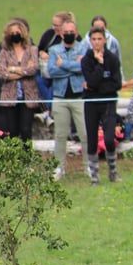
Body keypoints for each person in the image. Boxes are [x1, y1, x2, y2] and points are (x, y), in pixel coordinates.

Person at [47, 19, 89, 181]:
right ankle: (59, 167)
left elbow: (83, 68)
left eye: (72, 31)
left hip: (79, 97)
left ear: (76, 32)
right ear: (61, 33)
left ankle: (88, 166)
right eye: (66, 31)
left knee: (85, 134)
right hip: (59, 97)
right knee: (60, 135)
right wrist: (73, 67)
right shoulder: (53, 50)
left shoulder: (83, 48)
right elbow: (52, 71)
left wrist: (63, 64)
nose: (69, 34)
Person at [82, 27, 123, 185]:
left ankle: (113, 170)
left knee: (109, 139)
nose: (97, 42)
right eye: (94, 39)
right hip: (91, 103)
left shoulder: (112, 59)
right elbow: (91, 80)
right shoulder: (87, 59)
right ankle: (95, 176)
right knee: (92, 139)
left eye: (100, 39)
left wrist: (96, 86)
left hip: (108, 103)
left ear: (105, 40)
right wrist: (99, 65)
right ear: (90, 41)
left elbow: (116, 83)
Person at [0, 19, 40, 142]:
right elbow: (2, 73)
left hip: (28, 96)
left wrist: (13, 69)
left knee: (26, 130)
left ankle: (27, 158)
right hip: (10, 97)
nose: (15, 34)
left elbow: (34, 69)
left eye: (17, 31)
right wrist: (24, 70)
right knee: (12, 131)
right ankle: (14, 159)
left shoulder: (32, 50)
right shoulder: (4, 52)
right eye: (12, 32)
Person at [35, 11, 74, 127]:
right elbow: (39, 48)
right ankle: (48, 111)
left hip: (60, 71)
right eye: (53, 25)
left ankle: (47, 112)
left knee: (55, 84)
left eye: (57, 26)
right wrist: (41, 53)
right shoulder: (49, 34)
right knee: (38, 80)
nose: (55, 28)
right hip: (45, 69)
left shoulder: (70, 37)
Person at [84, 15, 123, 80]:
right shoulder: (84, 43)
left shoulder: (113, 41)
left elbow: (119, 63)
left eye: (102, 28)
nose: (99, 30)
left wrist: (122, 79)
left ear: (106, 27)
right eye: (96, 27)